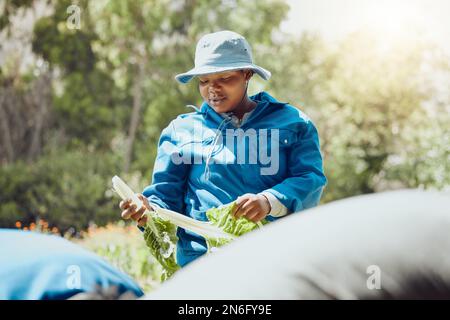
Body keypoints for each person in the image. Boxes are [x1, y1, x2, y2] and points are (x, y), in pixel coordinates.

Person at [119, 30, 327, 267]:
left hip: (273, 262)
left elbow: (310, 179)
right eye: (204, 81)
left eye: (224, 79)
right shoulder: (180, 132)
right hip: (201, 266)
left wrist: (269, 201)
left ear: (247, 74)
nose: (212, 90)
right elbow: (165, 198)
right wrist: (147, 211)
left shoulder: (293, 123)